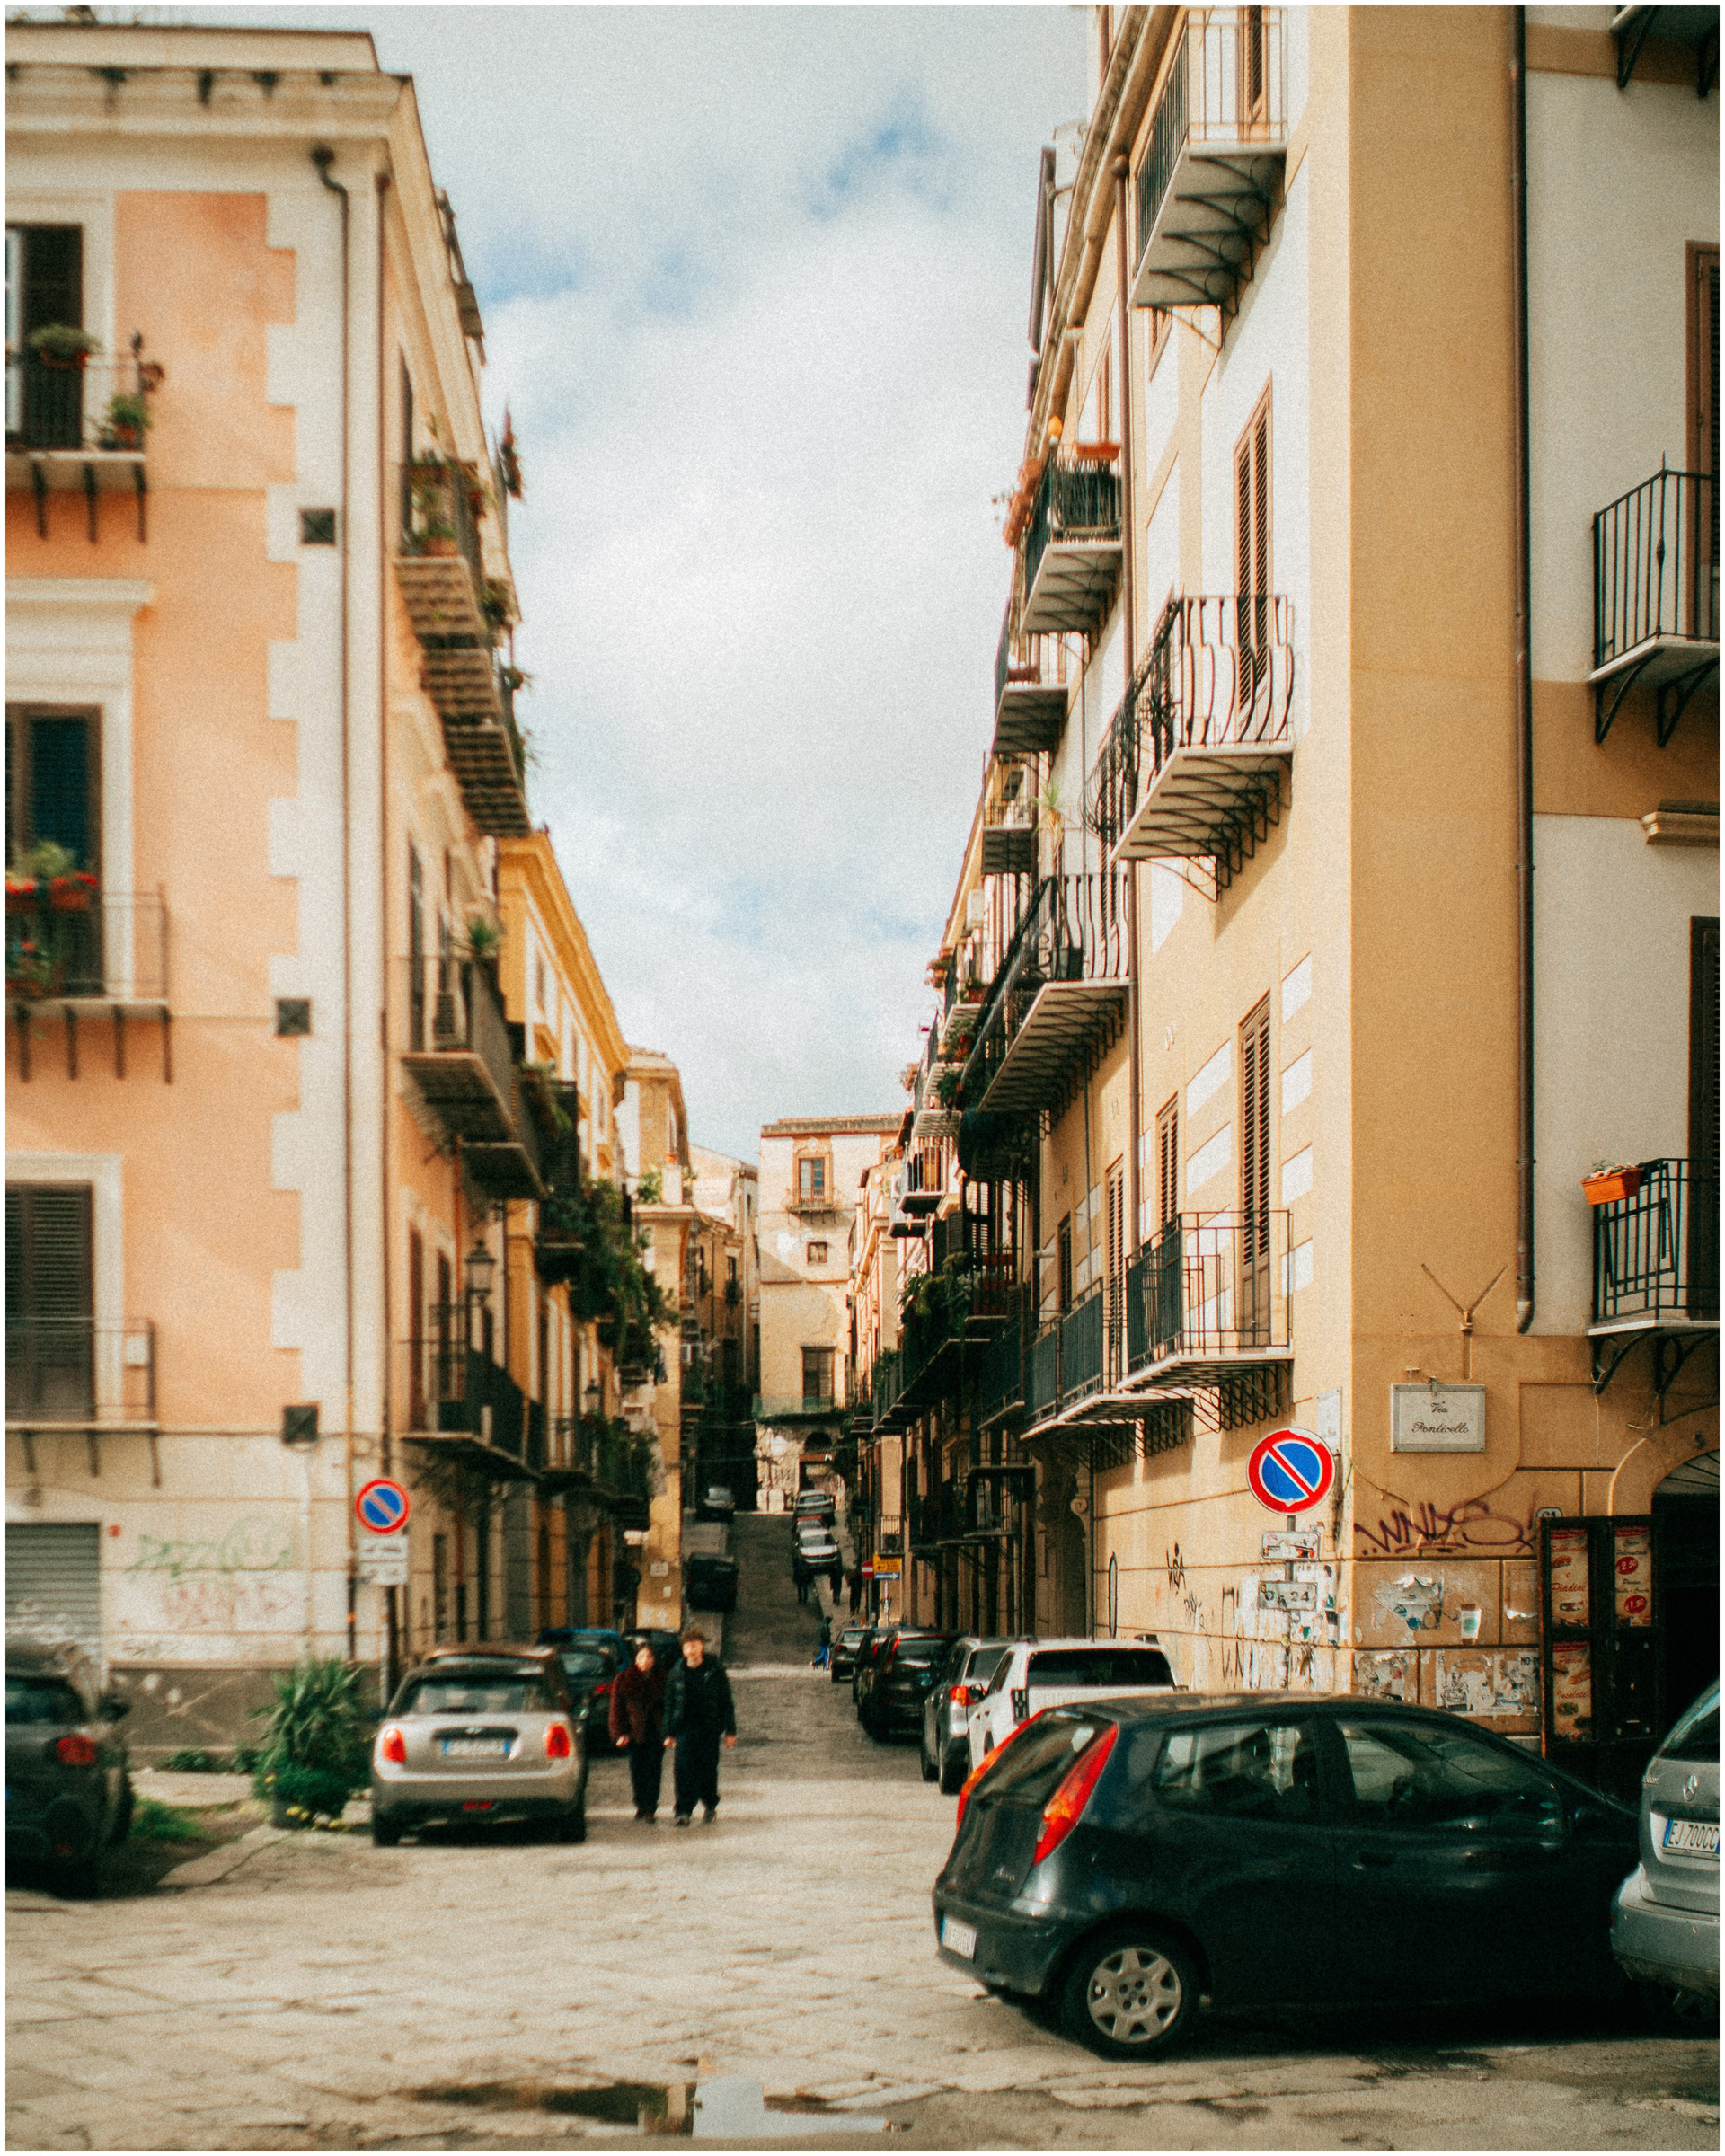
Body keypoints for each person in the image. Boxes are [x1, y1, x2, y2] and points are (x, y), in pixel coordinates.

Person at [662, 1628, 736, 1825]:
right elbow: (669, 1703)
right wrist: (668, 1732)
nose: (691, 1650)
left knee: (708, 1770)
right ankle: (683, 1811)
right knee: (683, 1770)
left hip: (709, 1728)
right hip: (684, 1729)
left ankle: (710, 1806)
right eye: (687, 1647)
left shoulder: (714, 1670)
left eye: (694, 1646)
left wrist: (730, 1730)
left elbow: (726, 1701)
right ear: (683, 1650)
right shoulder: (677, 1672)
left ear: (702, 1646)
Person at [609, 1639, 668, 1822]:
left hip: (656, 1731)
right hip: (634, 1732)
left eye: (649, 1657)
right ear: (635, 1659)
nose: (645, 1661)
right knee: (637, 1770)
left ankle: (650, 1807)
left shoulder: (663, 1678)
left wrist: (670, 1731)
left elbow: (670, 1707)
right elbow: (616, 1710)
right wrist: (619, 1734)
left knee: (654, 1769)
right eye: (641, 1657)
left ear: (654, 1659)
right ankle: (640, 1804)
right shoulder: (624, 1679)